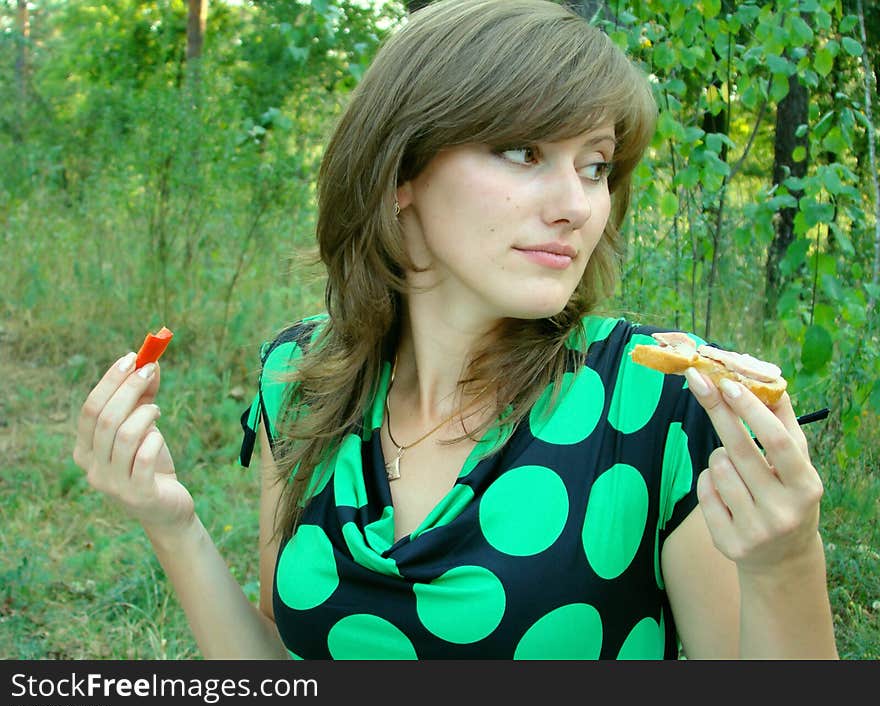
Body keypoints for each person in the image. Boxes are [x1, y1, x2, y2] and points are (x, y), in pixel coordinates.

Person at [73, 0, 838, 659]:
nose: (575, 203)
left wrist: (784, 561)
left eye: (595, 165)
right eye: (523, 151)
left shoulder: (655, 408)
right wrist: (170, 524)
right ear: (400, 172)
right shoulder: (298, 375)